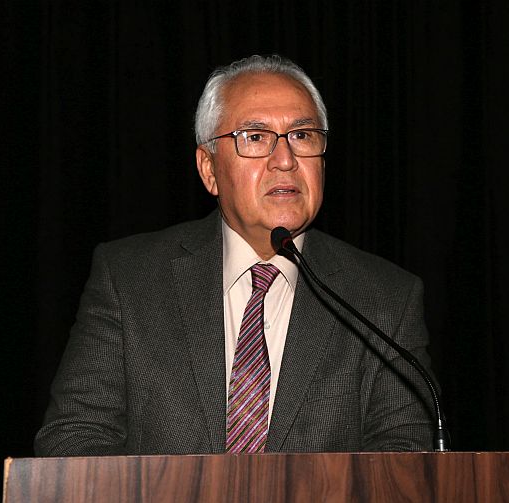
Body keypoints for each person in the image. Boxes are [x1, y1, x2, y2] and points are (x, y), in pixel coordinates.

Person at [35, 55, 436, 456]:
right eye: (256, 137)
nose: (285, 160)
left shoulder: (385, 298)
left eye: (302, 135)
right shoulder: (130, 279)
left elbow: (407, 461)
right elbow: (73, 439)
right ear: (209, 169)